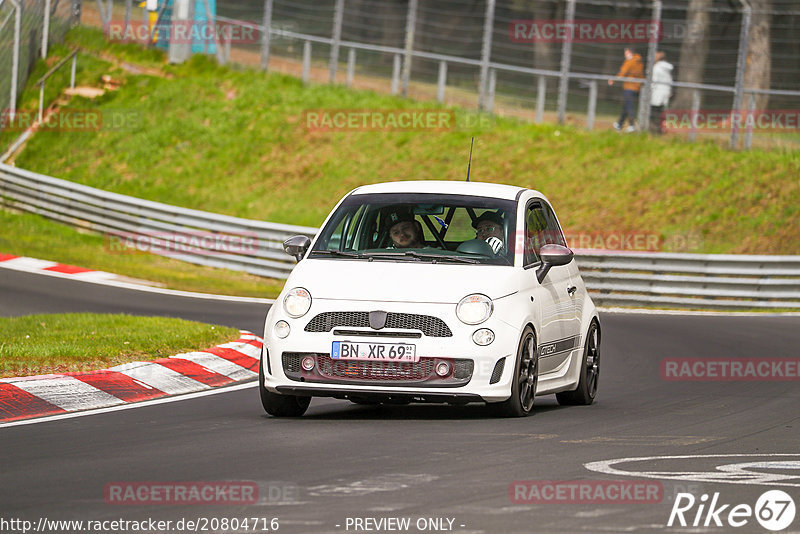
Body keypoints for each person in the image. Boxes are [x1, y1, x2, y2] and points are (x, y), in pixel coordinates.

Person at [609, 48, 644, 133]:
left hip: (629, 86)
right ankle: (619, 124)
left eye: (626, 53)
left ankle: (632, 125)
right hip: (636, 87)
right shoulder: (639, 62)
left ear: (631, 53)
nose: (625, 55)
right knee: (626, 106)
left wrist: (613, 79)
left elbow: (623, 72)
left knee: (629, 106)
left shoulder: (629, 62)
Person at [649, 51, 673, 135]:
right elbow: (670, 80)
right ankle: (662, 127)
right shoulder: (667, 69)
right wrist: (669, 91)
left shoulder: (656, 68)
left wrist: (649, 90)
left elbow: (653, 81)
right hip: (665, 92)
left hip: (657, 93)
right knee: (662, 112)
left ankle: (655, 129)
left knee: (653, 112)